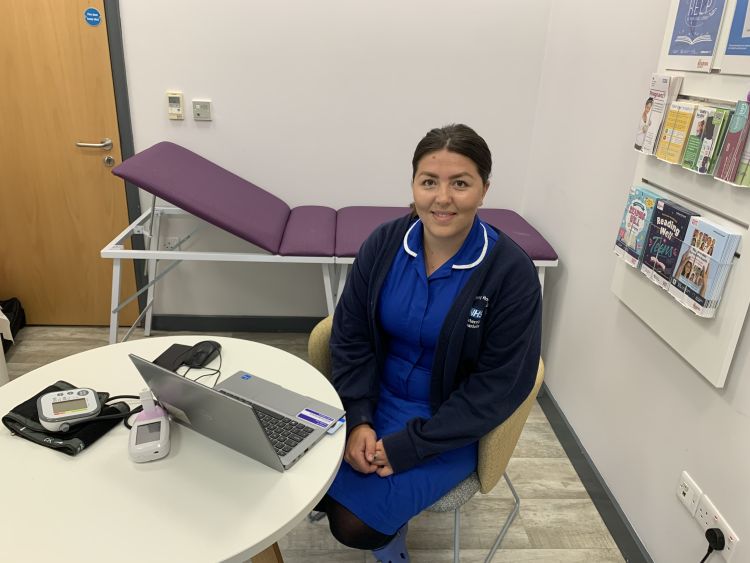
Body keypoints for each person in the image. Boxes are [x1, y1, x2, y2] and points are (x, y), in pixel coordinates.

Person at [314, 124, 542, 561]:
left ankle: (390, 542)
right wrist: (359, 417)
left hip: (449, 421)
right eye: (429, 182)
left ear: (483, 190)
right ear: (414, 185)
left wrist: (411, 446)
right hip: (375, 398)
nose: (442, 198)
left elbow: (499, 384)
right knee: (303, 484)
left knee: (352, 525)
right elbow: (352, 335)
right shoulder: (384, 243)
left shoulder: (510, 272)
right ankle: (375, 507)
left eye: (460, 183)